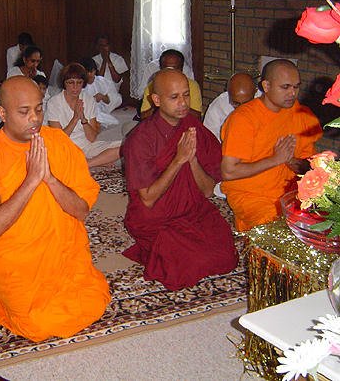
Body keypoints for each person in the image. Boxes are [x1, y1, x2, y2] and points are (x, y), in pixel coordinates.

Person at [0, 76, 110, 342]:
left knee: (93, 297)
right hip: (16, 260)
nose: (34, 118)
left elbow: (81, 211)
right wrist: (31, 181)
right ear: (3, 114)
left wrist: (50, 179)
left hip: (63, 251)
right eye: (24, 112)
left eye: (39, 109)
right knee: (38, 322)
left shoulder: (59, 142)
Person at [122, 69, 238, 290]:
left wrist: (191, 159)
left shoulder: (193, 128)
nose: (183, 103)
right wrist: (178, 160)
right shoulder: (140, 139)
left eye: (186, 95)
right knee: (187, 265)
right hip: (157, 218)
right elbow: (148, 198)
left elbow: (207, 191)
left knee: (226, 255)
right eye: (174, 97)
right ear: (156, 100)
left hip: (193, 210)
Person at [221, 59, 323, 232]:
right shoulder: (243, 119)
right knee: (277, 234)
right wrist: (275, 159)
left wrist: (294, 162)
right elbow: (229, 172)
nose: (292, 93)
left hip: (292, 193)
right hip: (251, 196)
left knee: (323, 228)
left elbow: (311, 166)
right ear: (266, 86)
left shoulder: (302, 115)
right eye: (285, 87)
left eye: (296, 87)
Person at [46, 63, 121, 168]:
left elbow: (92, 138)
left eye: (79, 82)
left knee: (122, 147)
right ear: (64, 83)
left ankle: (86, 163)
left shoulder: (89, 100)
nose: (75, 87)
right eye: (71, 82)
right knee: (51, 157)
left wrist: (83, 119)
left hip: (87, 146)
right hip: (65, 147)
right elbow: (59, 140)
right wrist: (75, 118)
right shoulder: (53, 102)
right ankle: (98, 161)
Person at [140, 50, 202, 120]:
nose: (170, 72)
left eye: (186, 94)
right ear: (161, 68)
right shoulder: (153, 86)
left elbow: (197, 117)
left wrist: (178, 106)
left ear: (182, 69)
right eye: (166, 68)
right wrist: (158, 105)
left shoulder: (192, 85)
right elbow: (143, 117)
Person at [203, 72, 257, 141]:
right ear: (227, 92)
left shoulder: (263, 102)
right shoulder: (216, 108)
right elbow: (209, 140)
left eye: (246, 103)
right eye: (236, 103)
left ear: (255, 92)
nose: (241, 108)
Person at [80, 57, 122, 127]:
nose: (90, 75)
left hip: (102, 109)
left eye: (92, 71)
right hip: (88, 110)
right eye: (87, 72)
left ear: (95, 71)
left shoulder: (102, 81)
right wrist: (92, 100)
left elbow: (113, 99)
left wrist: (103, 97)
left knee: (111, 119)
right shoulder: (79, 84)